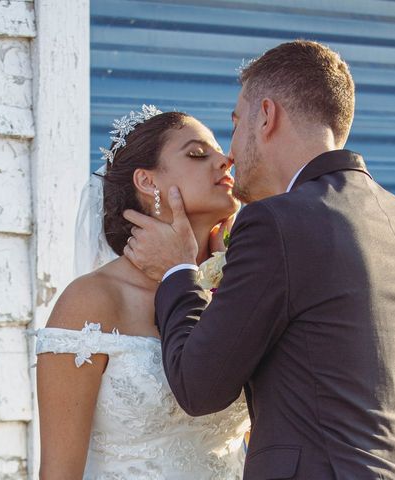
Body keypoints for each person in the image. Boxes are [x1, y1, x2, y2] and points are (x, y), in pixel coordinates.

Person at [123, 40, 395, 479]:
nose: (230, 152)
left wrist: (178, 270)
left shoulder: (276, 222)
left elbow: (199, 388)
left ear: (267, 117)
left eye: (235, 125)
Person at [34, 107, 250, 479]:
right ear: (147, 182)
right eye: (198, 154)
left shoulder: (237, 288)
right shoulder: (93, 301)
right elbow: (59, 473)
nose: (225, 159)